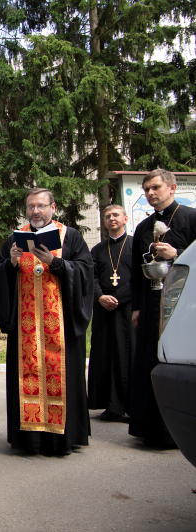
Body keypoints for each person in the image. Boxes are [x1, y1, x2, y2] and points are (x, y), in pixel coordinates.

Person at [0, 188, 93, 455]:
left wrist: (57, 263)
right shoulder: (15, 238)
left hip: (61, 328)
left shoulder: (70, 236)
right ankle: (29, 439)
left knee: (65, 379)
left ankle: (62, 439)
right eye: (31, 207)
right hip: (26, 330)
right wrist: (10, 264)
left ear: (53, 207)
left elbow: (86, 272)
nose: (36, 211)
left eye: (41, 206)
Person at [129, 169, 196, 448]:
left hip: (185, 305)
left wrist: (177, 255)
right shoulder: (144, 227)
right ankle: (151, 428)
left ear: (172, 187)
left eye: (155, 187)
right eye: (146, 190)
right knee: (149, 361)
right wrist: (135, 308)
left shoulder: (191, 217)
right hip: (151, 303)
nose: (150, 193)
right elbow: (135, 270)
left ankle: (178, 432)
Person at [87, 205, 135, 421]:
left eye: (115, 215)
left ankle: (129, 405)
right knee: (105, 355)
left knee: (127, 356)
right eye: (107, 217)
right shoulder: (97, 249)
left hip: (128, 309)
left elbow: (140, 278)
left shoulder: (136, 245)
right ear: (104, 223)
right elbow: (91, 277)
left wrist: (119, 298)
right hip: (103, 309)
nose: (111, 219)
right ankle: (109, 405)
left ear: (125, 218)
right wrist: (100, 297)